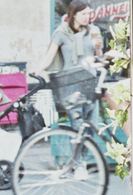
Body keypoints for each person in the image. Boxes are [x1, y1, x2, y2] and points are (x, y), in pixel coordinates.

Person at [32, 1, 103, 129]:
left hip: (90, 80)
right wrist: (38, 70)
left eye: (89, 14)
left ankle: (88, 143)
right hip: (71, 83)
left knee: (92, 124)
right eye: (83, 14)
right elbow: (49, 56)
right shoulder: (61, 32)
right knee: (77, 125)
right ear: (74, 14)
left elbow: (99, 56)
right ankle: (75, 143)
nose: (87, 17)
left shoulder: (94, 30)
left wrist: (98, 47)